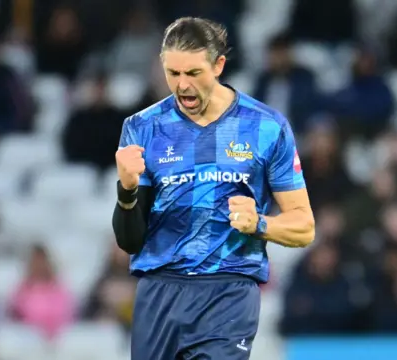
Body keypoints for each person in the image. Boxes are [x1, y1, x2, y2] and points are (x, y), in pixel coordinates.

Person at [112, 17, 315, 360]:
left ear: (219, 65)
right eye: (173, 73)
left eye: (193, 73)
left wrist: (260, 224)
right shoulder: (142, 127)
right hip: (159, 293)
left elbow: (304, 226)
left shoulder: (266, 126)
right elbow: (130, 240)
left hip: (228, 291)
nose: (182, 86)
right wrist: (127, 190)